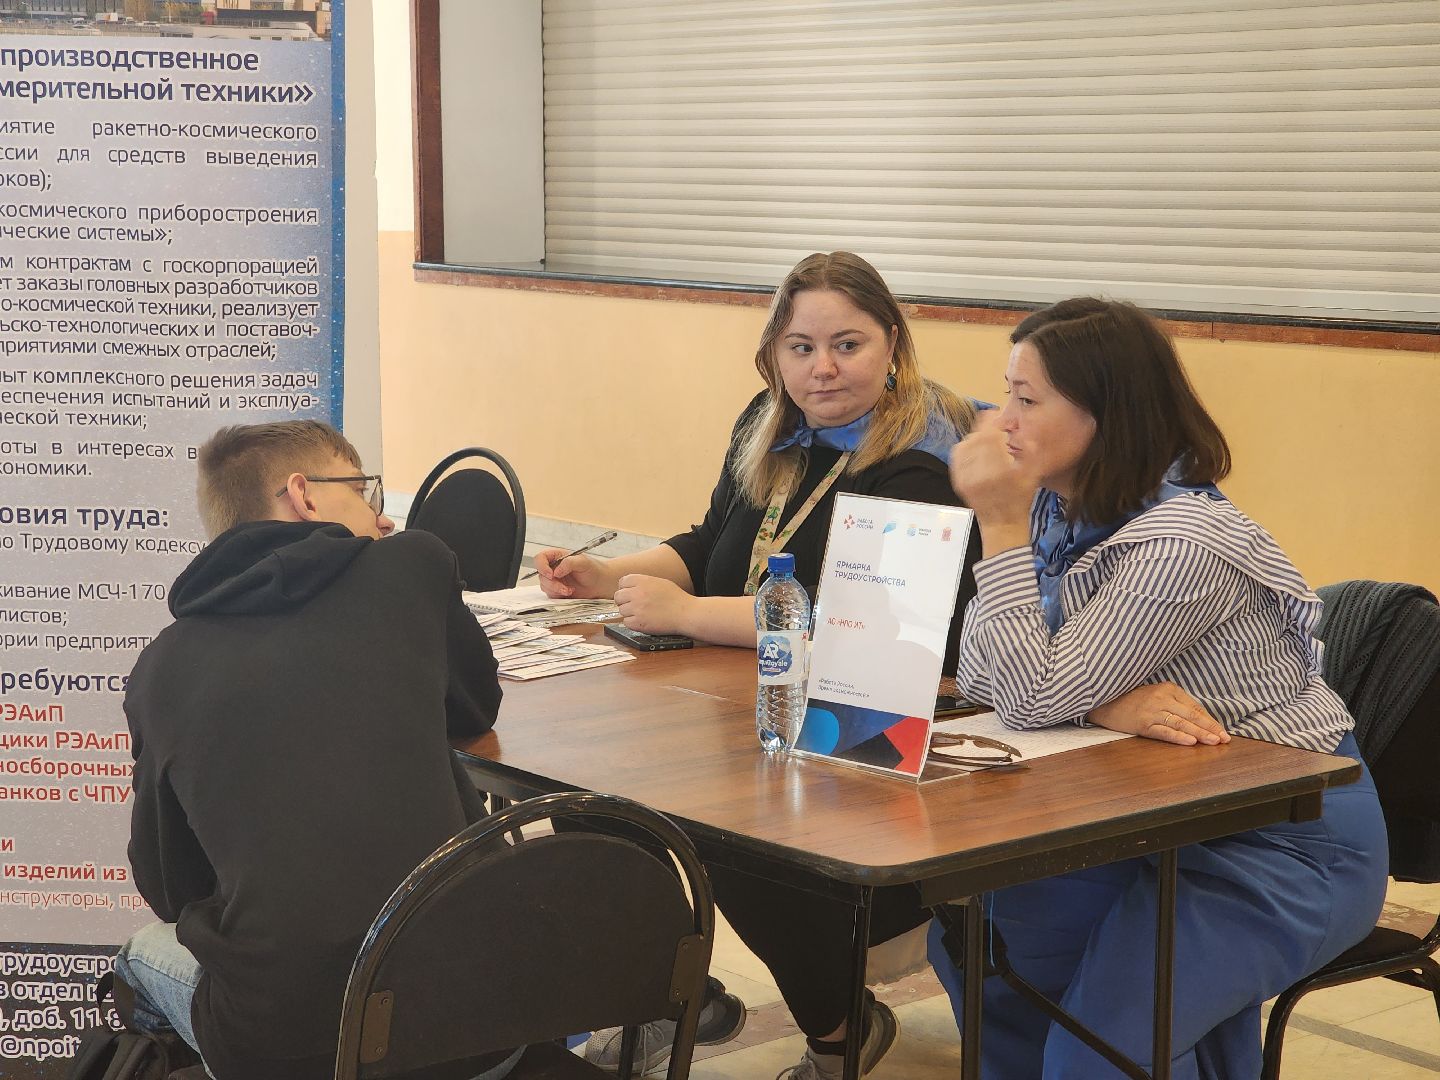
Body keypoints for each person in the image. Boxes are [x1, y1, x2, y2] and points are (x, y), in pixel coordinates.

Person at [537, 251, 981, 1079]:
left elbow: (858, 626)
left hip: (865, 728)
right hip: (738, 700)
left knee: (738, 833)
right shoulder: (770, 423)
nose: (823, 369)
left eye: (847, 345)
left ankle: (839, 1035)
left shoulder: (920, 463)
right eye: (801, 348)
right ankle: (665, 997)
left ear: (892, 343)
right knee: (587, 793)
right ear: (774, 351)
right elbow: (715, 544)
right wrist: (610, 573)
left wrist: (685, 614)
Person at [930, 297, 1389, 1078]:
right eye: (1005, 393)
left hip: (1280, 837)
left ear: (1107, 415)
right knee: (985, 958)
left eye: (1027, 399)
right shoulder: (1057, 510)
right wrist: (1105, 701)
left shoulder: (1182, 543)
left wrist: (998, 529)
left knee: (1093, 1050)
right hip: (1147, 812)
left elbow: (1030, 697)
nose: (1001, 420)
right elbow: (983, 674)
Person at [115, 420, 509, 1080]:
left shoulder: (160, 669)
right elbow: (473, 706)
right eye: (363, 490)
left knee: (139, 955)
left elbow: (169, 887)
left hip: (291, 1050)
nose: (381, 518)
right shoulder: (411, 567)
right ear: (304, 494)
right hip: (481, 1028)